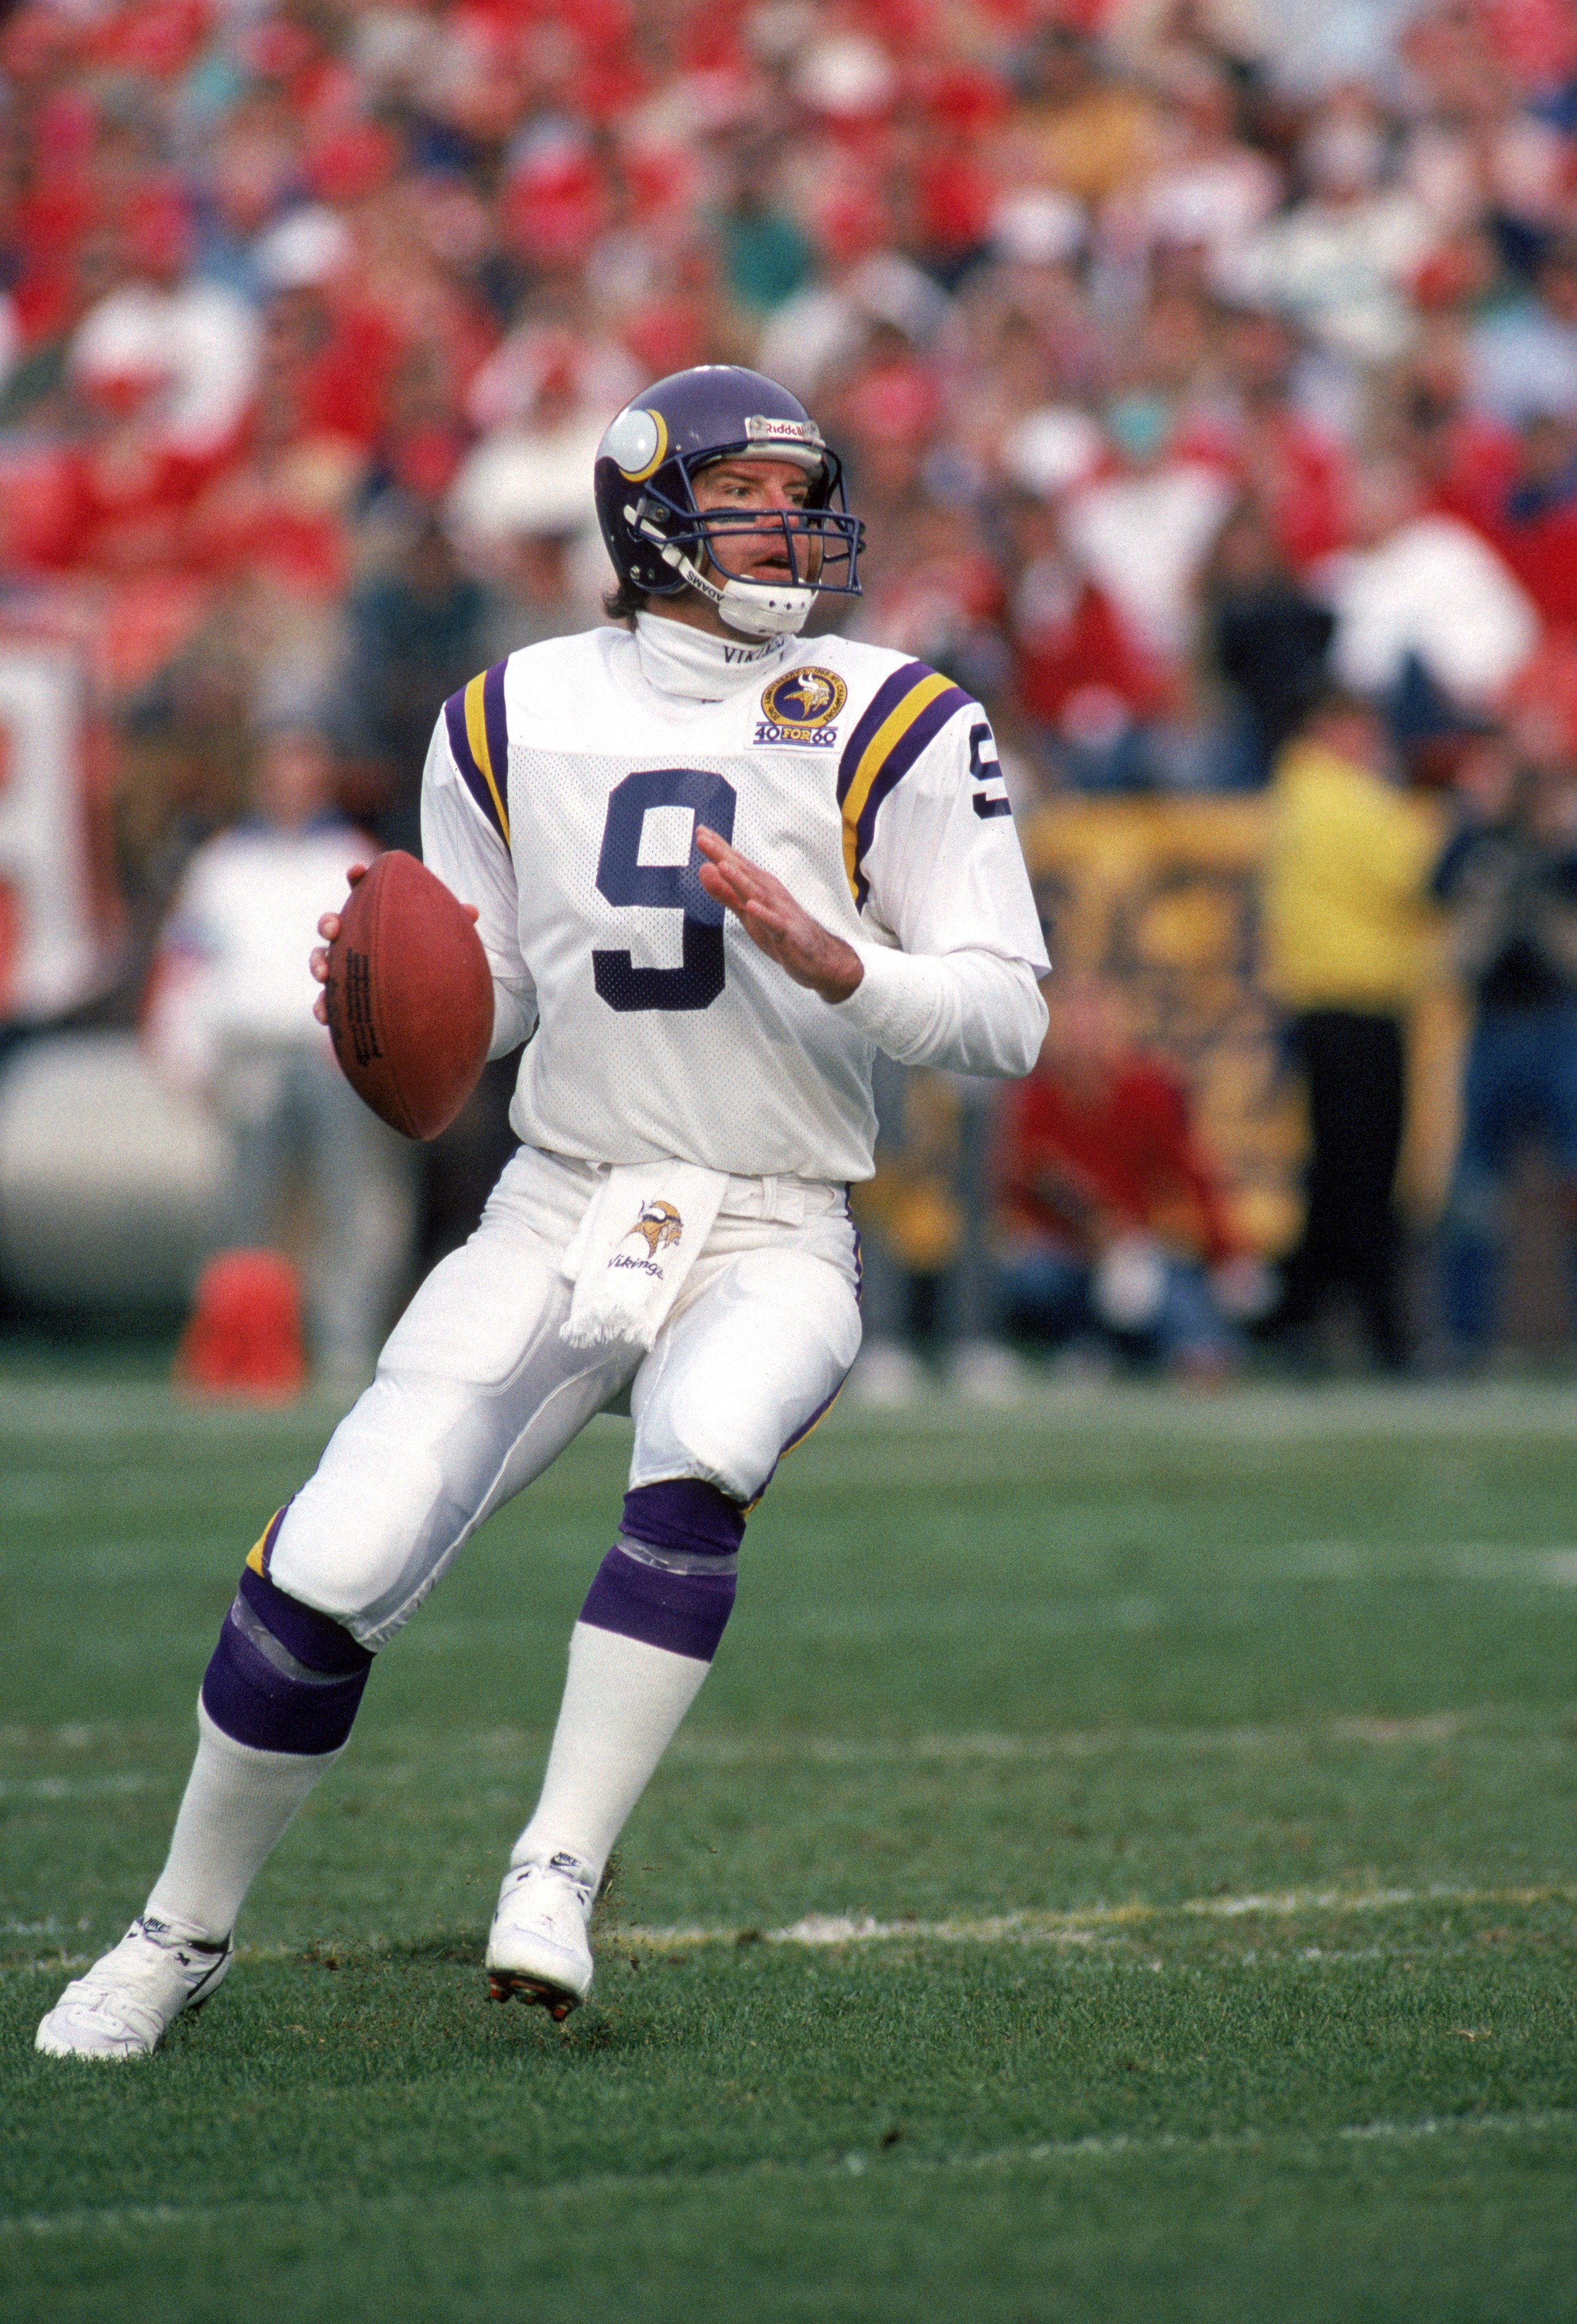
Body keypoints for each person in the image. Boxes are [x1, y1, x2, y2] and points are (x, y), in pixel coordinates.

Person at [37, 365, 1050, 2059]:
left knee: (706, 1446)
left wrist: (837, 961)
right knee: (335, 1556)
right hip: (563, 1197)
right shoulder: (505, 714)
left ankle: (556, 1870)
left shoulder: (899, 714)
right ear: (648, 514)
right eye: (747, 497)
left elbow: (1006, 1017)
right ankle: (175, 1931)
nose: (789, 526)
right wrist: (387, 997)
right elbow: (502, 1003)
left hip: (773, 1217)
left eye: (801, 495)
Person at [143, 724, 417, 1390]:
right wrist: (184, 1046)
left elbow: (384, 963)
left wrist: (368, 1049)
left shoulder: (350, 856)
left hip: (330, 1057)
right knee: (245, 1208)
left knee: (350, 1201)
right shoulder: (223, 864)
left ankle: (344, 1341)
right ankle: (246, 1342)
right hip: (251, 1054)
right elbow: (189, 962)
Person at [1260, 686, 1441, 1369]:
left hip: (1336, 1003)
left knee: (1341, 1169)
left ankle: (1304, 1312)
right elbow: (1412, 873)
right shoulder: (1337, 797)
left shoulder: (1305, 793)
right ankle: (1364, 1322)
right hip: (1352, 1003)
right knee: (1362, 1171)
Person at [993, 976, 1262, 1379]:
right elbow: (1021, 1181)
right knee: (1032, 1277)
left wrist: (1227, 1252)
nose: (1084, 1044)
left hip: (1133, 1243)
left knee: (1156, 1282)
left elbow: (1192, 1173)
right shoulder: (1034, 1098)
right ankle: (1083, 1343)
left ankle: (1199, 1349)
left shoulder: (1146, 1090)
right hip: (1064, 1251)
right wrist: (1085, 1227)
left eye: (1094, 1028)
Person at [1433, 728, 1577, 1362]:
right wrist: (1477, 817)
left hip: (1558, 1019)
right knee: (1472, 1191)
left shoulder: (1560, 849)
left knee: (1569, 1182)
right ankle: (1463, 1334)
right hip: (1493, 1022)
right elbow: (1436, 891)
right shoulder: (1483, 842)